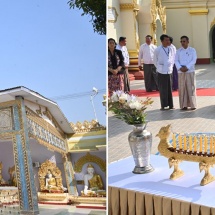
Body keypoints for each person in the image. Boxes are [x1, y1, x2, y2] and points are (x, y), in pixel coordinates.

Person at [175, 35, 197, 110]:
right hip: (181, 71)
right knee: (182, 88)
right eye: (181, 41)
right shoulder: (178, 51)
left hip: (189, 71)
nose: (182, 43)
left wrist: (187, 67)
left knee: (190, 88)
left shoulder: (192, 50)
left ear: (188, 41)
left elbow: (194, 60)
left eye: (184, 41)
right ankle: (183, 105)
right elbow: (176, 60)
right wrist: (180, 68)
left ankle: (192, 104)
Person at [153, 34, 175, 110]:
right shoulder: (158, 49)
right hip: (161, 72)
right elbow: (155, 60)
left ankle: (171, 105)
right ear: (162, 41)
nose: (168, 41)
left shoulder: (171, 48)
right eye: (166, 40)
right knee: (163, 89)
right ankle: (163, 105)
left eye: (168, 40)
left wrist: (171, 67)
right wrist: (159, 67)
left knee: (169, 88)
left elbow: (172, 59)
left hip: (169, 71)